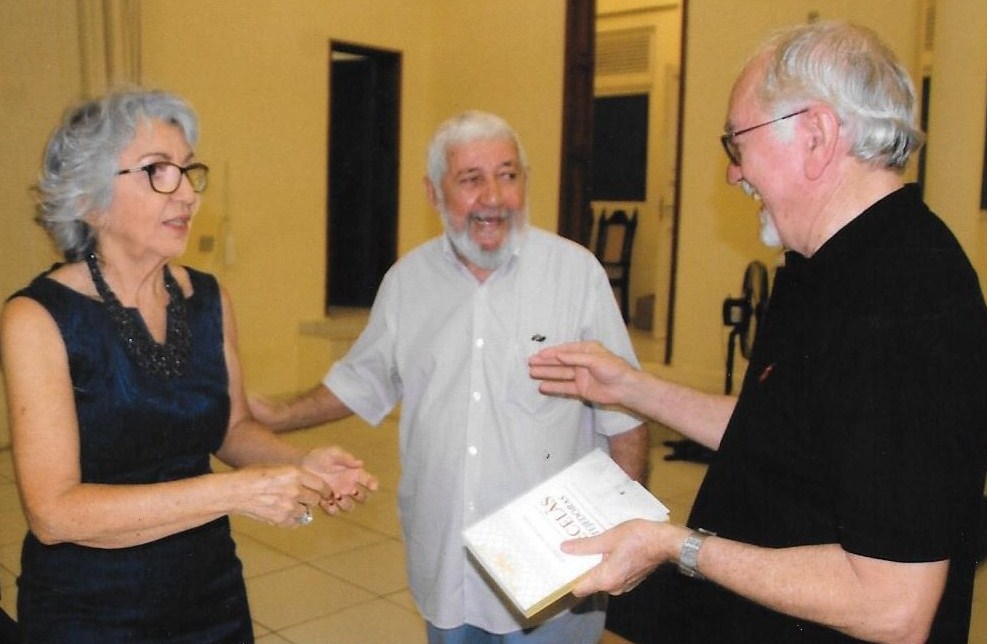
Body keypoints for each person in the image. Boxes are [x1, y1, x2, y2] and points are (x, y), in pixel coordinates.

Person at [529, 20, 987, 644]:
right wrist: (631, 388)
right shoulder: (820, 265)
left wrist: (678, 548)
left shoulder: (905, 302)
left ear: (816, 135)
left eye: (735, 143)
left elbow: (894, 608)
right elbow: (780, 433)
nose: (732, 174)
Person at [249, 110, 649, 643]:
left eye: (508, 175)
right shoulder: (407, 282)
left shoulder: (575, 275)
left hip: (554, 566)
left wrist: (626, 532)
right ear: (434, 193)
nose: (494, 196)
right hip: (447, 558)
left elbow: (624, 417)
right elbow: (364, 379)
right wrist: (274, 414)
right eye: (471, 179)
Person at [0, 89, 378, 643]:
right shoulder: (37, 320)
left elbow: (232, 428)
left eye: (187, 170)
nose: (186, 195)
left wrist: (303, 463)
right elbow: (55, 513)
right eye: (157, 171)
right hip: (89, 612)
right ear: (89, 200)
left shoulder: (207, 298)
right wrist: (235, 493)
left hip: (210, 596)